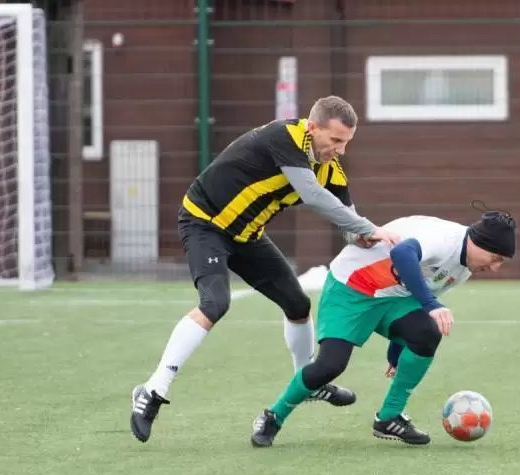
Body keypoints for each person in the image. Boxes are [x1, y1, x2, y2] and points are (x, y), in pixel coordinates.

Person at [130, 95, 401, 443]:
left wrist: (364, 237)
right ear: (312, 127)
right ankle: (153, 389)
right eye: (335, 140)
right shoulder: (284, 137)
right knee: (215, 303)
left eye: (346, 142)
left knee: (298, 305)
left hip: (247, 236)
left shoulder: (331, 169)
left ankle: (308, 382)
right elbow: (313, 195)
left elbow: (347, 221)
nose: (340, 150)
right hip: (205, 224)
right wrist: (367, 227)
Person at [250, 208, 517, 447]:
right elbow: (402, 254)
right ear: (478, 242)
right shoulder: (445, 239)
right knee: (330, 366)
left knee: (426, 333)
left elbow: (414, 294)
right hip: (350, 287)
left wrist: (396, 351)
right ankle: (273, 416)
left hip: (392, 298)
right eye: (495, 258)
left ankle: (389, 417)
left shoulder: (464, 268)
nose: (494, 267)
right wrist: (432, 305)